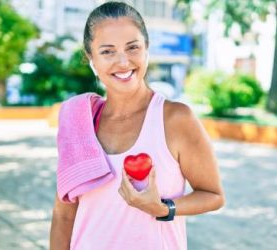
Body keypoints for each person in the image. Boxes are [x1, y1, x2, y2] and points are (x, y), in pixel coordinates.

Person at [50, 2, 225, 249]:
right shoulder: (79, 123)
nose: (123, 62)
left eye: (133, 48)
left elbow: (213, 196)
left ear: (146, 50)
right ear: (91, 58)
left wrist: (163, 208)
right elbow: (64, 214)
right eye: (107, 51)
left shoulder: (175, 119)